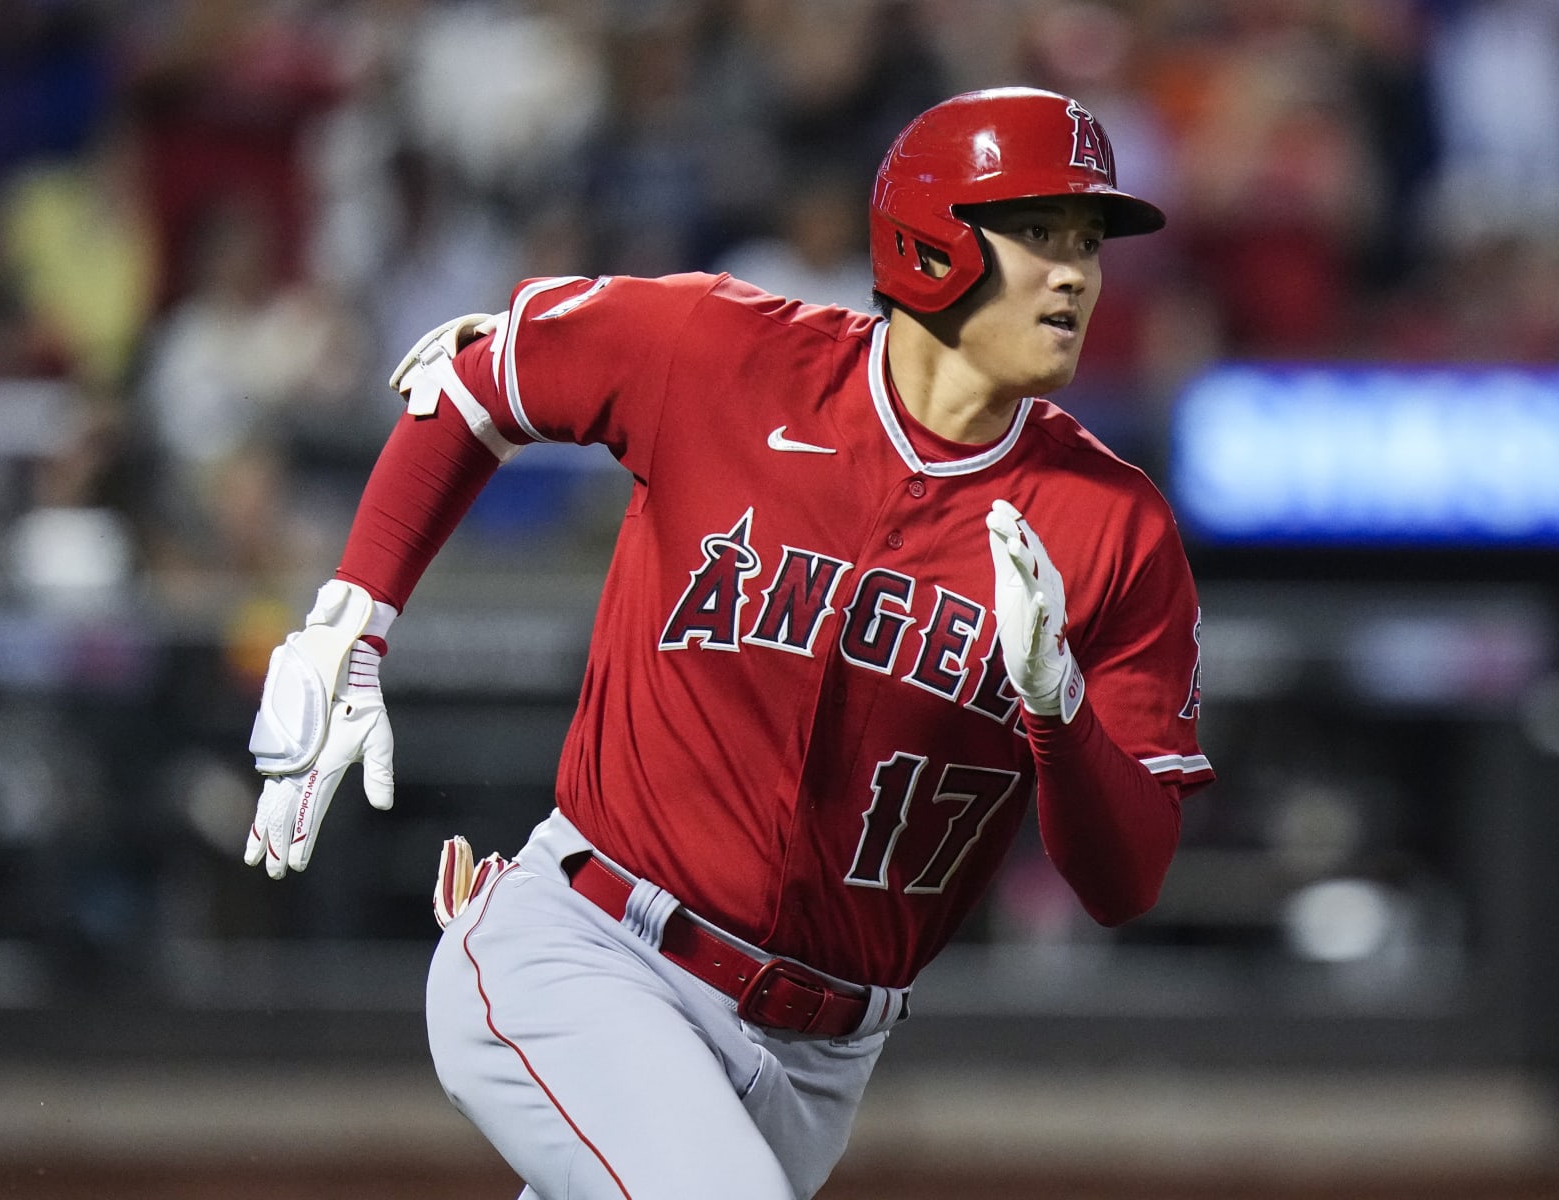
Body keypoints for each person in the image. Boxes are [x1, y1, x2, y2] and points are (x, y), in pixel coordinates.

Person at [243, 87, 1214, 1200]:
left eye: (1087, 242)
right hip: (590, 952)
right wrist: (352, 624)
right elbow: (476, 386)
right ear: (931, 239)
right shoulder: (724, 351)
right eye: (1038, 231)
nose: (1076, 274)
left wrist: (1058, 710)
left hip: (819, 1064)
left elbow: (1126, 878)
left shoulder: (1116, 527)